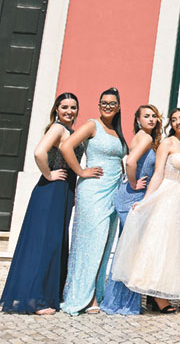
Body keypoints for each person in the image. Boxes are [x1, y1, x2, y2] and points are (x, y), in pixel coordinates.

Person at [0, 93, 85, 314]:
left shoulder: (70, 131)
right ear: (56, 109)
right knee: (45, 245)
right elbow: (39, 152)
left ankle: (44, 295)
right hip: (51, 190)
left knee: (53, 243)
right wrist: (48, 174)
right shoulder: (57, 128)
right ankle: (36, 301)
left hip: (64, 191)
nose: (69, 111)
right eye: (64, 107)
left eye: (73, 107)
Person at [111, 108, 180, 313]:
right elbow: (158, 174)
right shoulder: (167, 143)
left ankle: (161, 291)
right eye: (173, 120)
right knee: (160, 242)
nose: (177, 122)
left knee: (174, 245)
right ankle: (157, 296)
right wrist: (146, 201)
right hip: (166, 194)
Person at [60, 87, 128, 315]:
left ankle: (96, 293)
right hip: (93, 191)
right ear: (99, 105)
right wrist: (81, 171)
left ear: (118, 107)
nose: (107, 106)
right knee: (91, 242)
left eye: (112, 103)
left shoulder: (117, 132)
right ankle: (84, 296)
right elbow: (66, 146)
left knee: (105, 243)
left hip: (112, 192)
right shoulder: (92, 125)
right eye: (104, 103)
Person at [102, 105, 163, 315]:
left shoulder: (141, 136)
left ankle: (117, 300)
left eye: (154, 116)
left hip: (130, 197)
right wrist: (134, 182)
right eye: (146, 116)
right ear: (138, 120)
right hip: (133, 197)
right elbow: (130, 161)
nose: (151, 119)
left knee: (126, 249)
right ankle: (123, 303)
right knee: (130, 251)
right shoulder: (145, 137)